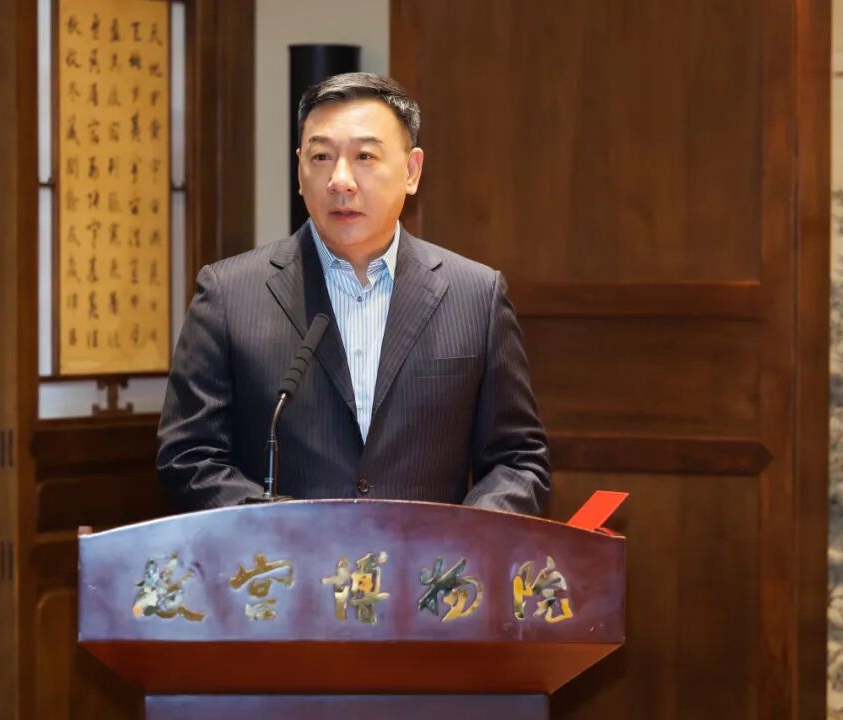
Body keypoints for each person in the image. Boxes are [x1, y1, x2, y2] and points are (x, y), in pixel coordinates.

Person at [156, 72, 550, 514]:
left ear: (412, 171)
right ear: (300, 170)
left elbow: (517, 461)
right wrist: (290, 530)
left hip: (430, 559)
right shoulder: (229, 294)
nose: (340, 180)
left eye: (365, 156)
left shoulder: (475, 296)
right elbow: (188, 456)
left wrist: (460, 538)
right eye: (321, 156)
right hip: (284, 556)